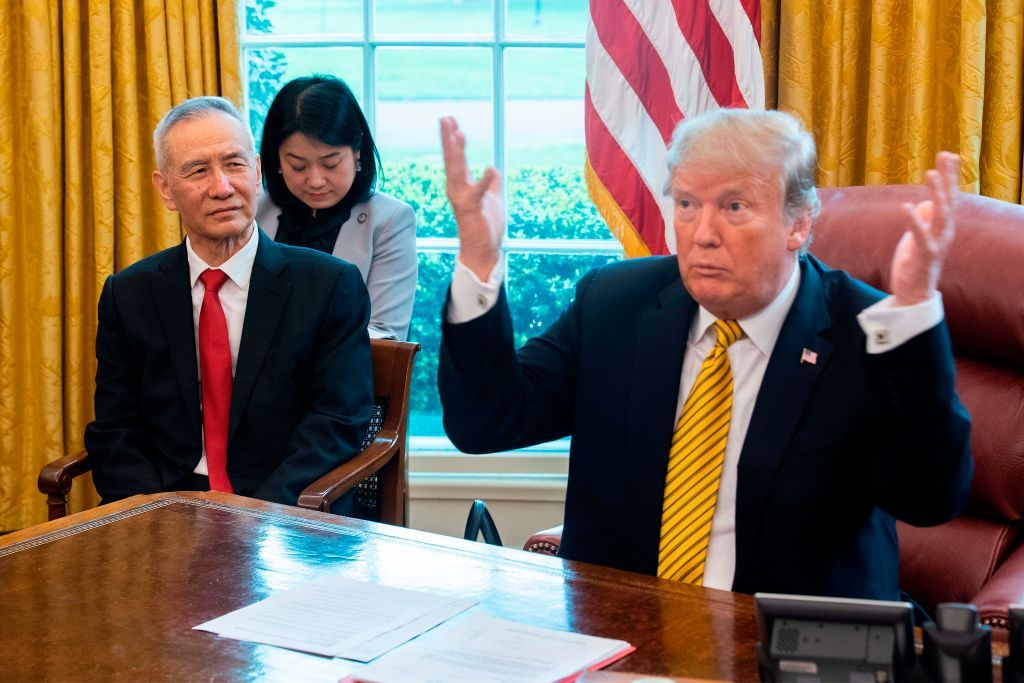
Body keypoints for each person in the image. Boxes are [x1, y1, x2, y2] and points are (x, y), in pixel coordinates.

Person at [436, 109, 973, 601]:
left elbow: (927, 499)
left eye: (734, 207)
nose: (702, 235)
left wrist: (913, 316)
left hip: (791, 649)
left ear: (799, 223)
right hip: (623, 639)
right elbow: (485, 422)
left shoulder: (866, 331)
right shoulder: (615, 305)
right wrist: (480, 261)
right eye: (687, 204)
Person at [85, 96, 373, 512]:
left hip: (285, 510)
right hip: (168, 512)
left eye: (235, 165)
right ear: (165, 189)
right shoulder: (129, 294)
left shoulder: (329, 285)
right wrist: (152, 516)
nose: (222, 188)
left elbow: (337, 423)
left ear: (256, 172)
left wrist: (256, 517)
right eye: (198, 171)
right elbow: (116, 430)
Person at [257, 75, 417, 341]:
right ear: (277, 158)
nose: (316, 181)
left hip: (344, 378)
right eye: (298, 166)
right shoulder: (252, 210)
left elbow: (384, 335)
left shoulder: (390, 220)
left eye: (330, 164)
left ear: (357, 150)